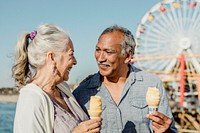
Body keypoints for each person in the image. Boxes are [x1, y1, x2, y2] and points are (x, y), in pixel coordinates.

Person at [73, 25, 177, 132]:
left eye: (108, 52)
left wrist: (167, 131)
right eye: (98, 50)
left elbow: (171, 129)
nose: (100, 58)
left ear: (128, 56)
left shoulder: (152, 84)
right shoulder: (81, 93)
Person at [12, 23, 101, 133]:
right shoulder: (31, 98)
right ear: (52, 57)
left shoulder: (63, 88)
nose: (75, 61)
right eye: (71, 54)